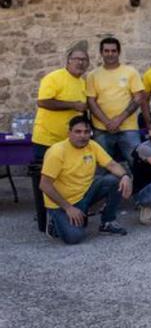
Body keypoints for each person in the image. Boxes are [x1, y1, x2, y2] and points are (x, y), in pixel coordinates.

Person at [40, 115, 131, 243]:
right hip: (62, 203)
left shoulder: (92, 146)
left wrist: (125, 176)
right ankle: (54, 221)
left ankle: (107, 222)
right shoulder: (57, 152)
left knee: (114, 181)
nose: (82, 136)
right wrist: (68, 208)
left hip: (85, 193)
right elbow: (44, 185)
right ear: (69, 133)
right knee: (74, 237)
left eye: (86, 132)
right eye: (78, 132)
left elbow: (111, 165)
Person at [31, 43, 91, 232]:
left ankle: (62, 215)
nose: (80, 63)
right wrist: (73, 105)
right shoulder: (54, 77)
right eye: (77, 59)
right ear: (68, 61)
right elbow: (43, 101)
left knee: (66, 180)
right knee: (45, 180)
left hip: (69, 142)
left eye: (84, 60)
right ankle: (45, 220)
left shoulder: (82, 82)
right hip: (47, 138)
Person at [86, 36, 146, 163]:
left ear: (119, 52)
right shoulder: (93, 75)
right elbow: (91, 102)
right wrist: (108, 122)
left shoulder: (131, 72)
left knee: (137, 164)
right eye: (106, 51)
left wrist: (119, 119)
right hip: (101, 129)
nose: (110, 54)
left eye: (113, 51)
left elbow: (138, 97)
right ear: (101, 53)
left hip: (128, 128)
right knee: (102, 166)